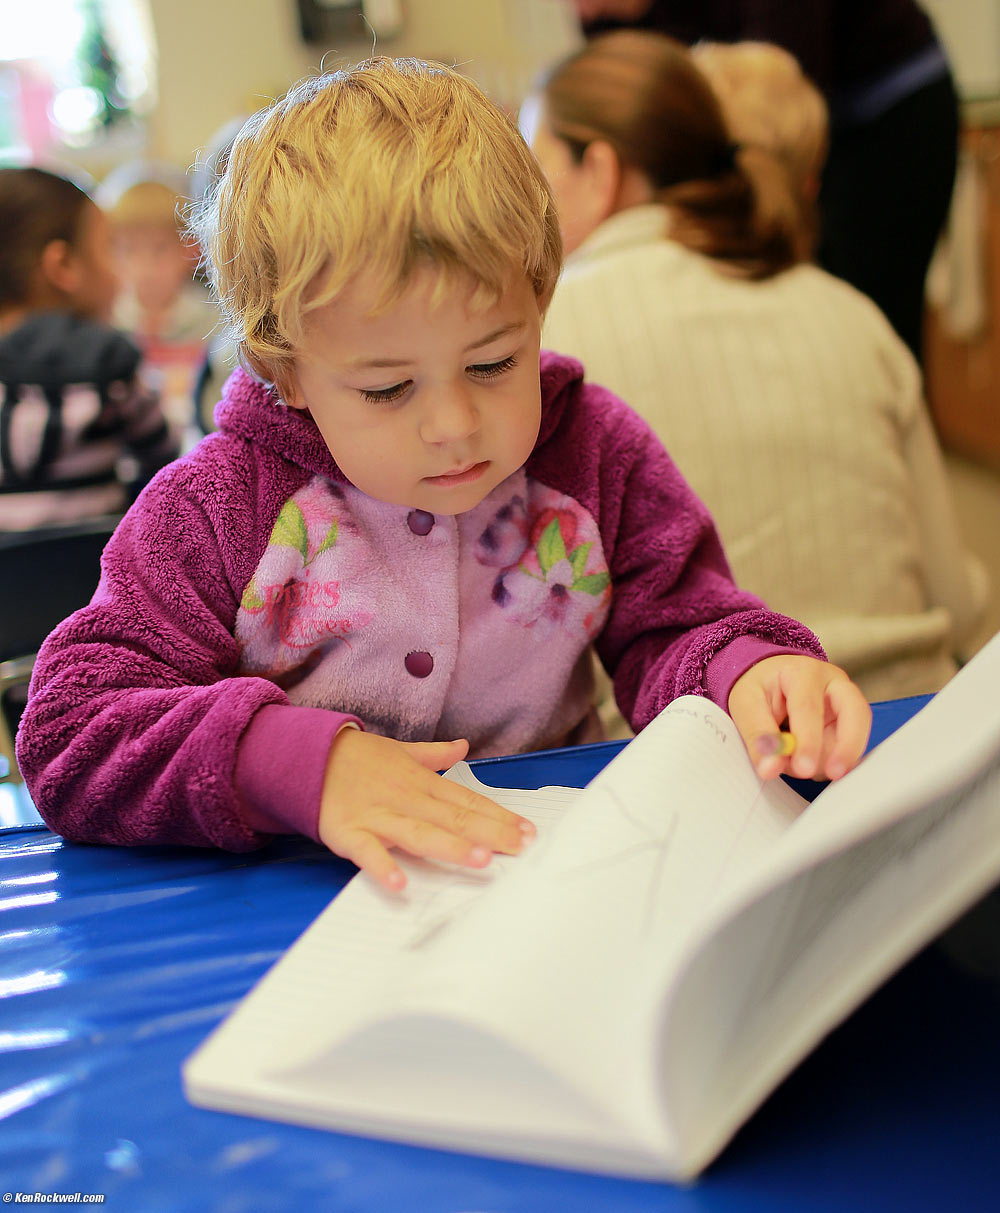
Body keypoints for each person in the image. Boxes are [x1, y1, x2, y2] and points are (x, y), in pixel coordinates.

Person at [16, 57, 870, 894]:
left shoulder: (592, 451)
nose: (456, 425)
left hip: (557, 878)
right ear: (285, 372)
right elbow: (68, 725)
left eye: (496, 362)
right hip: (304, 910)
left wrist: (747, 668)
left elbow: (679, 624)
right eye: (388, 388)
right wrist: (291, 763)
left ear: (539, 302)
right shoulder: (218, 506)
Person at [531, 31, 986, 704]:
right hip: (907, 722)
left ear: (598, 172)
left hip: (698, 751)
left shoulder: (541, 342)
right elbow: (962, 605)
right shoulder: (850, 313)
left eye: (534, 174)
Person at [568, 0, 959, 365]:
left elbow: (779, 91)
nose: (578, 8)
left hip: (889, 108)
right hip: (777, 119)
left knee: (875, 311)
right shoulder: (601, 13)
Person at [0, 166, 178, 531]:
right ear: (63, 266)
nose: (118, 273)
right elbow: (163, 459)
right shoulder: (108, 360)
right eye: (109, 249)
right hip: (97, 580)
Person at [100, 164, 216, 446]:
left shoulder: (211, 321)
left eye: (159, 249)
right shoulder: (107, 323)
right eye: (128, 250)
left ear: (190, 249)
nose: (145, 267)